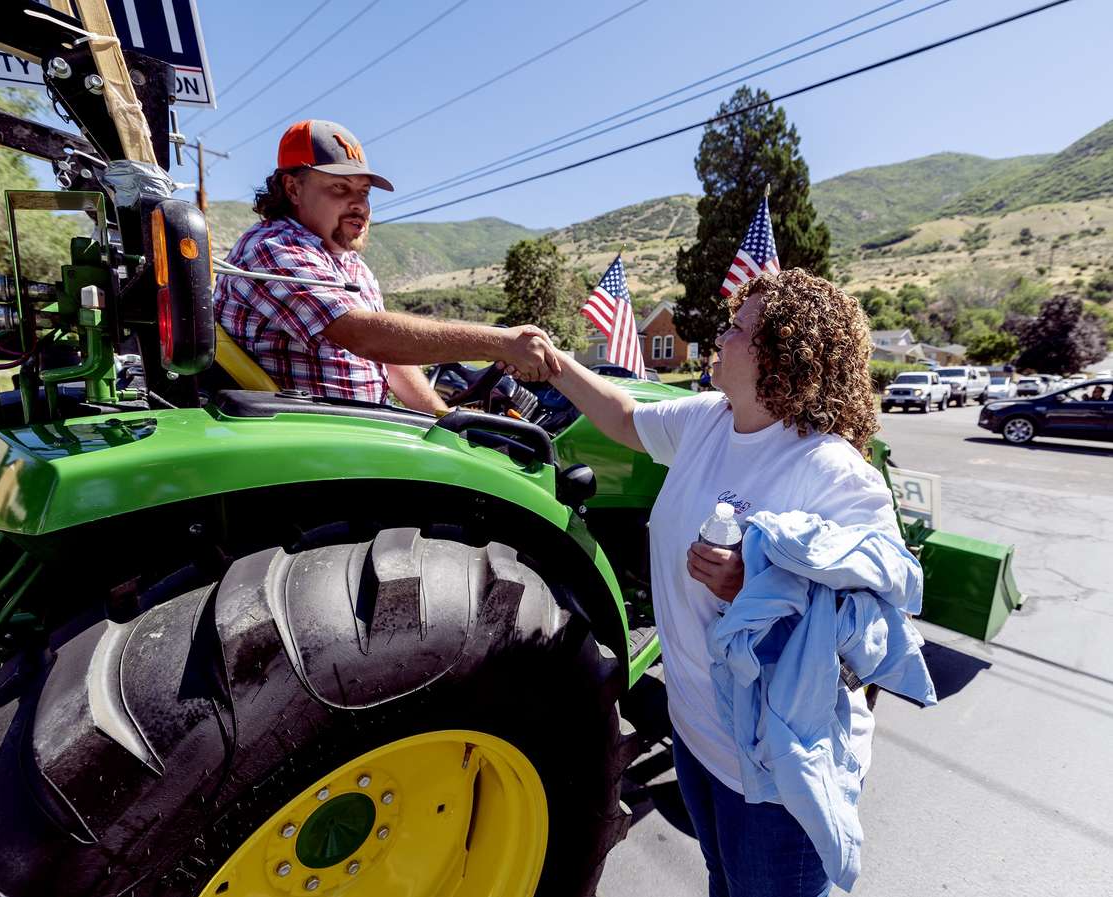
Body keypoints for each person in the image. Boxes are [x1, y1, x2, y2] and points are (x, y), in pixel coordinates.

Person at [542, 269, 921, 897]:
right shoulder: (710, 420)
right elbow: (627, 418)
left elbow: (882, 630)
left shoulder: (831, 471)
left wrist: (762, 586)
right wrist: (556, 364)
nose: (721, 334)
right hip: (697, 733)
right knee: (725, 883)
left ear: (781, 351)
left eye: (738, 328)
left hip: (776, 767)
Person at [214, 119, 558, 413]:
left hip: (357, 434)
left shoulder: (351, 266)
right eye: (340, 187)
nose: (359, 205)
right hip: (300, 443)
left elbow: (391, 360)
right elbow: (363, 335)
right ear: (293, 188)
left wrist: (443, 419)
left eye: (364, 192)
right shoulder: (272, 248)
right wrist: (499, 343)